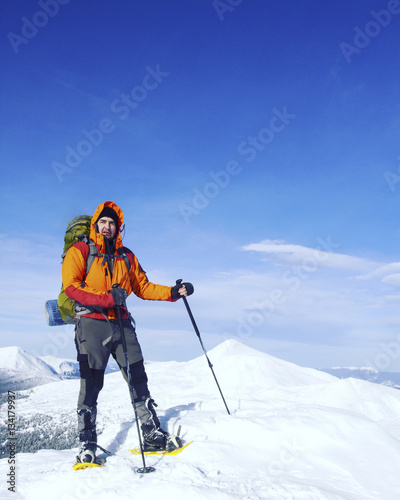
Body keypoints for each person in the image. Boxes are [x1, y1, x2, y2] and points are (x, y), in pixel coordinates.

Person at [62, 200, 194, 464]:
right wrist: (107, 298)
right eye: (104, 222)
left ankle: (152, 434)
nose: (108, 226)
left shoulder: (127, 256)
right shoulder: (80, 251)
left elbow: (142, 286)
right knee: (91, 384)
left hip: (122, 323)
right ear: (95, 225)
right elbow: (72, 288)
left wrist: (171, 292)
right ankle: (87, 444)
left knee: (137, 377)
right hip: (91, 324)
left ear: (118, 226)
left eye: (113, 223)